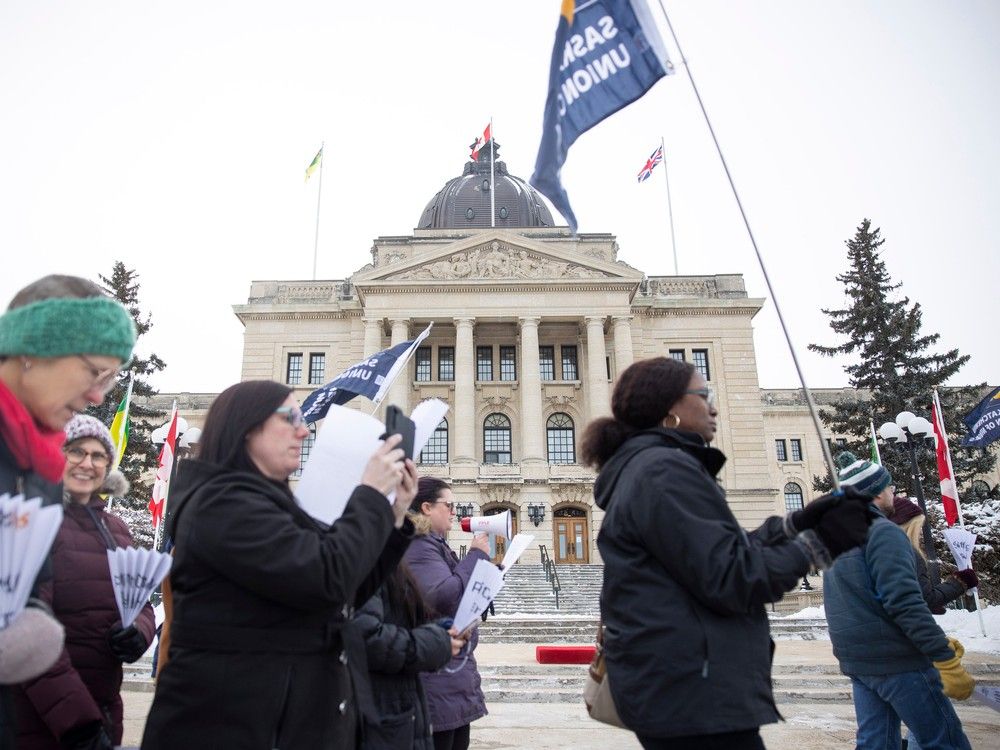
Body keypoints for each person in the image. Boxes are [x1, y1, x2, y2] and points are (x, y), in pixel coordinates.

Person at [580, 356, 872, 750]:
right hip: (692, 691)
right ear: (670, 410)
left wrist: (793, 524)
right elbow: (731, 577)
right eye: (704, 395)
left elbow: (708, 554)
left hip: (680, 684)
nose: (714, 407)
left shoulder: (652, 467)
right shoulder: (664, 471)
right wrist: (819, 545)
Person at [140, 380, 419, 749]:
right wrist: (367, 494)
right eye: (291, 417)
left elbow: (343, 595)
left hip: (277, 719)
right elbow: (327, 578)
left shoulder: (268, 503)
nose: (304, 430)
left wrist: (394, 514)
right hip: (234, 726)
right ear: (246, 426)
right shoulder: (222, 503)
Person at [0, 275, 135, 750]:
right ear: (35, 347)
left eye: (111, 379)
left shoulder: (31, 465)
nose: (99, 396)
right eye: (94, 372)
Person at [13, 415, 155, 750]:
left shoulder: (117, 529)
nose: (86, 463)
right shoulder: (30, 522)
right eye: (75, 451)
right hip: (44, 720)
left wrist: (139, 632)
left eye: (98, 455)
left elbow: (142, 602)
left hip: (104, 710)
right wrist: (80, 726)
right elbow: (26, 637)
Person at [824, 452, 975, 750]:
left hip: (860, 661)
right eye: (891, 487)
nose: (894, 493)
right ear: (878, 492)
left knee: (876, 743)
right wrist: (942, 654)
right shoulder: (884, 533)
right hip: (898, 661)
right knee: (944, 740)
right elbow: (904, 603)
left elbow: (859, 604)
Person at [403, 478, 490, 750]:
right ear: (427, 507)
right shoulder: (419, 544)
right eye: (449, 505)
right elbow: (443, 595)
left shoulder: (435, 544)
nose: (454, 511)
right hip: (437, 679)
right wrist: (475, 555)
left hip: (450, 679)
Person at [352, 564, 467, 750]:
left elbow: (404, 620)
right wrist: (435, 642)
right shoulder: (368, 560)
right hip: (381, 714)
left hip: (399, 709)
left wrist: (443, 629)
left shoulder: (389, 558)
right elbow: (367, 639)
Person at [889, 495, 978, 614]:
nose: (919, 532)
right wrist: (960, 582)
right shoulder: (907, 552)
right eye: (918, 527)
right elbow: (926, 600)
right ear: (908, 527)